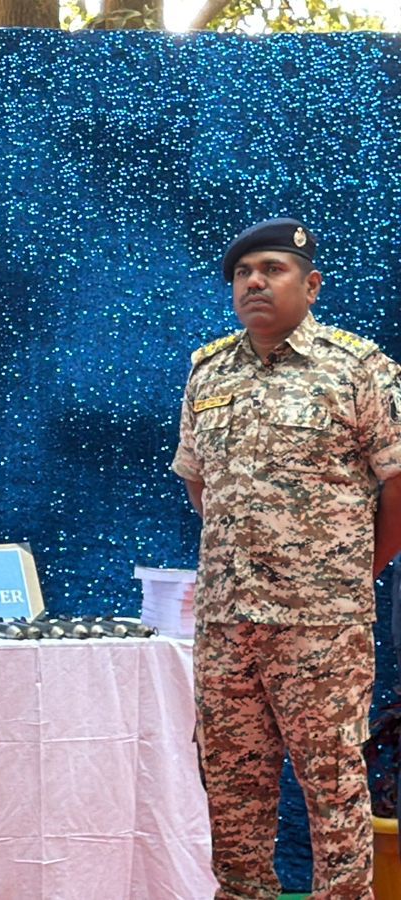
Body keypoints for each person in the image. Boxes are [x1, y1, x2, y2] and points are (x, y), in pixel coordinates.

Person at [173, 217, 401, 899]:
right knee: (232, 797)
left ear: (311, 284)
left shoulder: (357, 368)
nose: (254, 283)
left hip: (321, 627)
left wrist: (351, 574)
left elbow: (398, 482)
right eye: (243, 273)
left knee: (334, 794)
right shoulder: (209, 371)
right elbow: (200, 483)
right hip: (228, 626)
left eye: (271, 270)